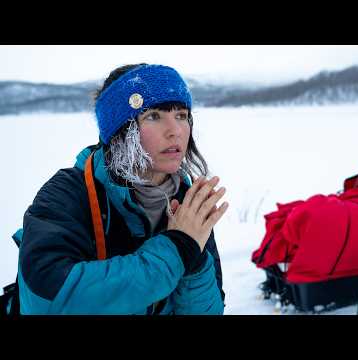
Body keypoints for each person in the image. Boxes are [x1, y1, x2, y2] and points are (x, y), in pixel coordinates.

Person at [16, 63, 228, 315]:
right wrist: (177, 249)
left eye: (181, 115)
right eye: (153, 116)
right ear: (119, 130)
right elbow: (48, 301)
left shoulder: (187, 201)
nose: (175, 132)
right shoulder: (68, 194)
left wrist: (193, 261)